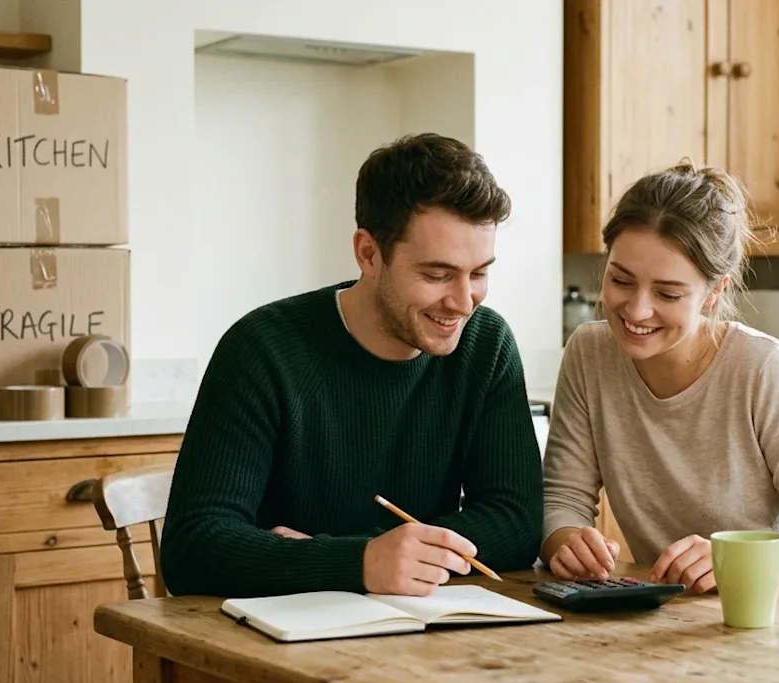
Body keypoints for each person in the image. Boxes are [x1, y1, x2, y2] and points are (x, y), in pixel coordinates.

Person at [161, 133, 545, 599]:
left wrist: (365, 557)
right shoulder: (262, 348)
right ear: (368, 253)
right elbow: (192, 548)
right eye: (437, 274)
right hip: (276, 640)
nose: (464, 302)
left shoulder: (486, 345)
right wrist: (361, 562)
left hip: (425, 631)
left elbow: (517, 521)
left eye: (479, 273)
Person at [540, 160, 779, 604]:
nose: (636, 311)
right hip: (693, 623)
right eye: (620, 280)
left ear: (715, 291)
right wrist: (566, 540)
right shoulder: (589, 354)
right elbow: (561, 498)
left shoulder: (765, 369)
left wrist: (746, 561)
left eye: (668, 294)